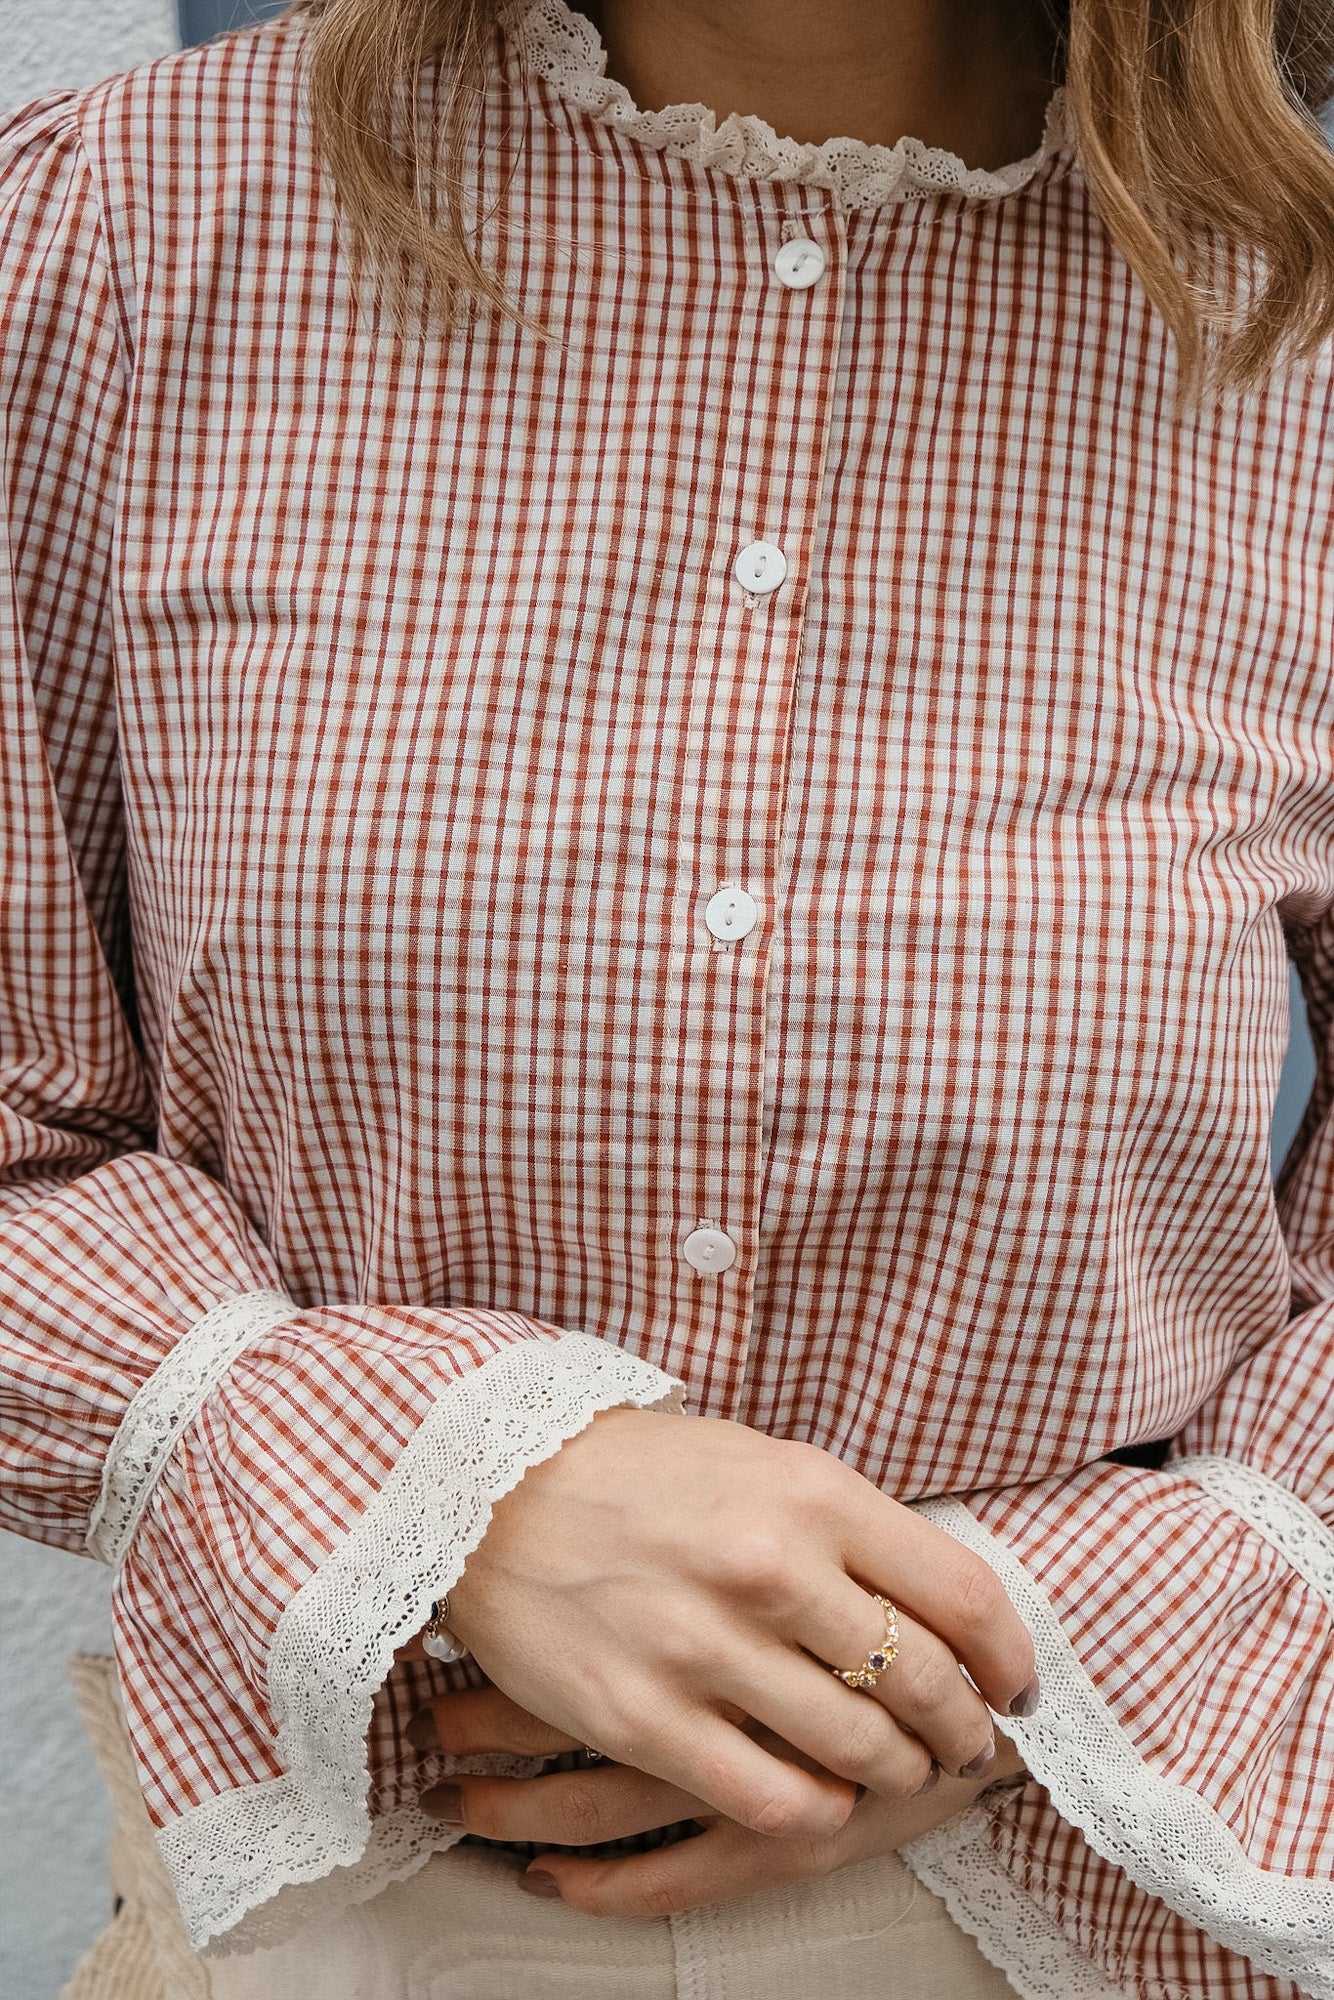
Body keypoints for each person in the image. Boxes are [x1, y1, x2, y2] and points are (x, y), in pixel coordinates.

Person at [3, 0, 1334, 1993]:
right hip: (312, 1925)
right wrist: (455, 1482)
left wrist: (1031, 1643)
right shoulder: (109, 243)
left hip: (1087, 1910)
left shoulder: (1295, 328)